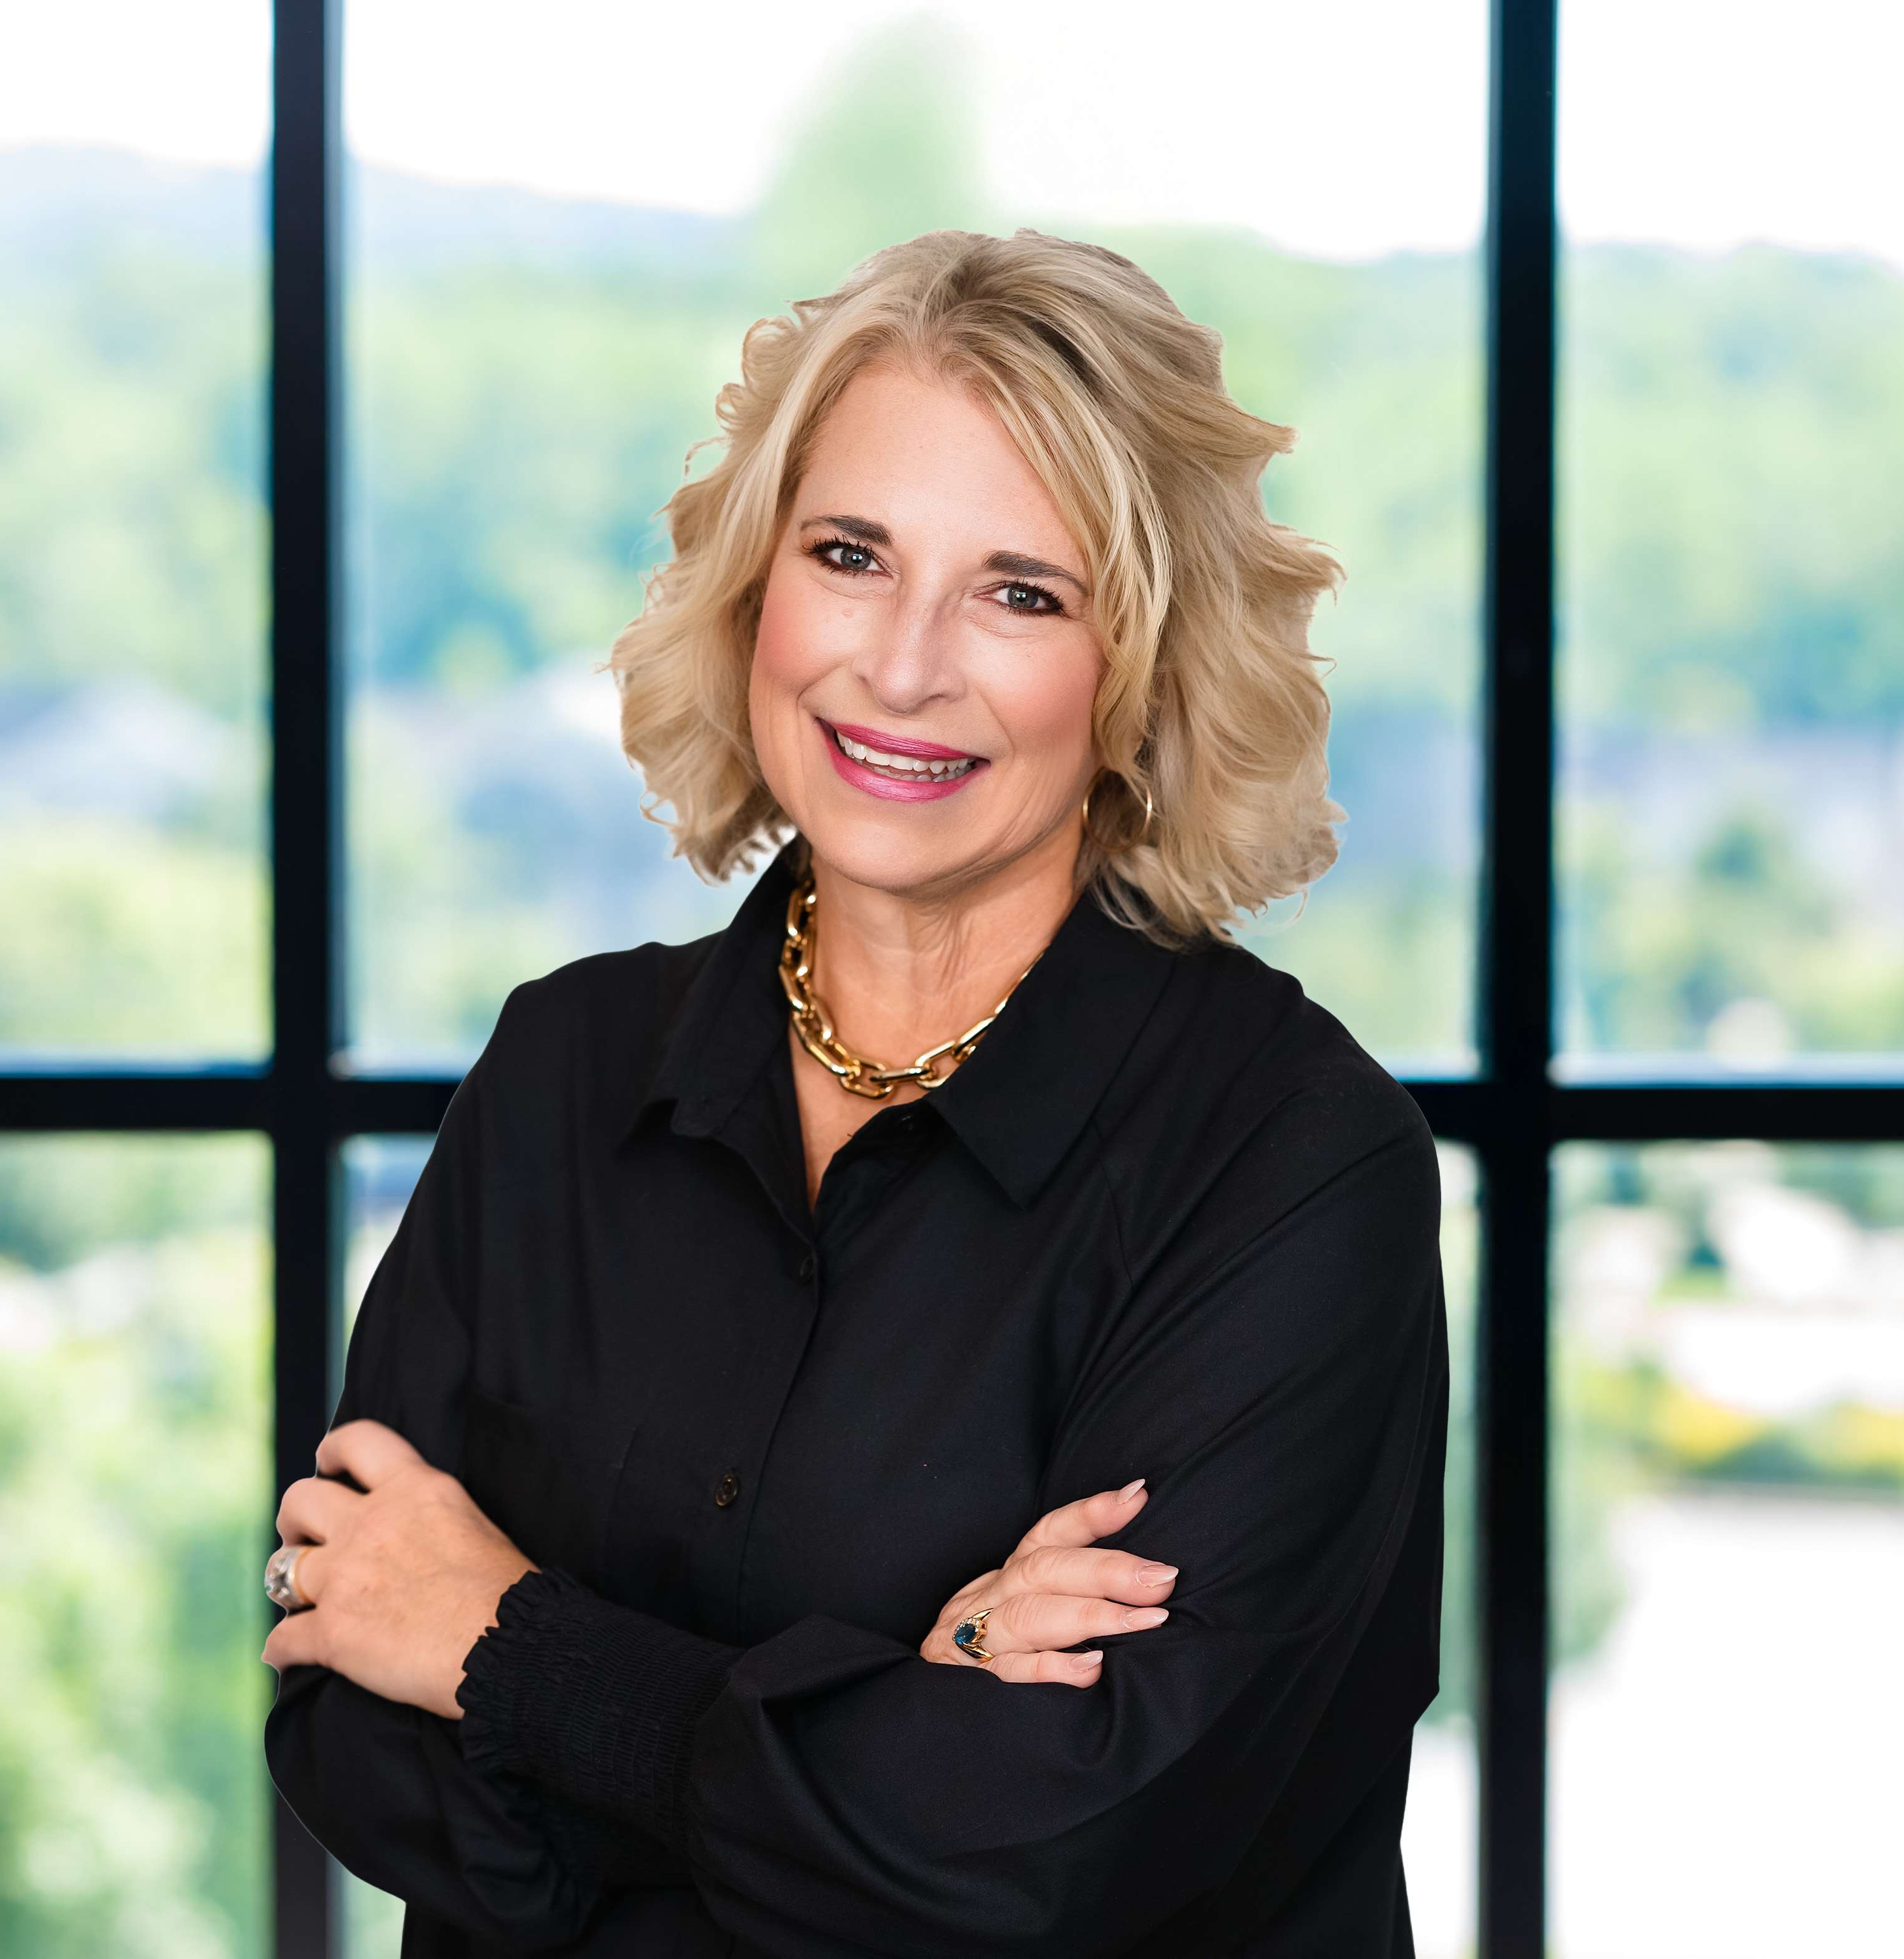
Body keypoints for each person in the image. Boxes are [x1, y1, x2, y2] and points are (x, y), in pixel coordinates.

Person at [263, 228, 1446, 1958]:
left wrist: (506, 1651)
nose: (899, 668)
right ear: (756, 588)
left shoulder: (1292, 1162)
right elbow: (352, 1718)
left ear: (1145, 670)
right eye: (848, 555)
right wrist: (903, 1714)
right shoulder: (563, 1071)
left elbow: (1056, 1860)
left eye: (1021, 593)